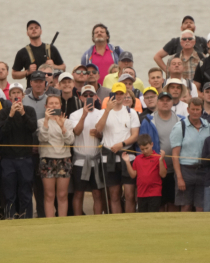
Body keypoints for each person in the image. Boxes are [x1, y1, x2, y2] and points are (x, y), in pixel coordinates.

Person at [96, 83, 140, 214]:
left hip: (127, 156)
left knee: (129, 195)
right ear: (112, 95)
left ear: (125, 95)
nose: (119, 96)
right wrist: (107, 110)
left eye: (121, 93)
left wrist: (122, 144)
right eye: (117, 93)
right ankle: (117, 223)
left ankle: (129, 223)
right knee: (114, 195)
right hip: (108, 157)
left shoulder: (131, 113)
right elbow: (98, 129)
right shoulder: (103, 112)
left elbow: (135, 135)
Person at [0, 83, 37, 219]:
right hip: (8, 160)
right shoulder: (3, 112)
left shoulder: (30, 110)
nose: (16, 95)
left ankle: (26, 219)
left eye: (18, 93)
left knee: (26, 192)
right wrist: (11, 114)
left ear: (23, 95)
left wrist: (23, 114)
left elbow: (33, 128)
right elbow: (3, 132)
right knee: (9, 193)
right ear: (9, 96)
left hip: (25, 159)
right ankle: (10, 219)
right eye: (13, 93)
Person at [170, 98, 210, 212]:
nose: (195, 112)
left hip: (203, 170)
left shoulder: (207, 126)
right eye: (192, 109)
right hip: (185, 170)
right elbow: (175, 155)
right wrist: (179, 178)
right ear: (188, 110)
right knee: (186, 206)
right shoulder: (180, 127)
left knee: (201, 206)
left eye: (197, 109)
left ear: (201, 110)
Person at [37, 95, 75, 217]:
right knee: (49, 194)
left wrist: (62, 126)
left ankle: (62, 221)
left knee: (63, 194)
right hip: (47, 159)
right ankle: (50, 221)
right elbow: (43, 138)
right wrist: (47, 121)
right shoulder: (41, 122)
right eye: (51, 104)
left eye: (56, 103)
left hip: (64, 159)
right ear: (46, 106)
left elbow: (70, 141)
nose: (53, 106)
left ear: (60, 106)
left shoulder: (67, 122)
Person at [70, 86, 104, 215]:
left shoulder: (101, 113)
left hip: (96, 159)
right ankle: (78, 219)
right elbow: (77, 132)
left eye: (91, 95)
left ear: (96, 97)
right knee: (79, 192)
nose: (88, 97)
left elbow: (104, 135)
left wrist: (99, 134)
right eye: (86, 95)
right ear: (81, 97)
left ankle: (98, 220)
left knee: (97, 193)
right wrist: (84, 115)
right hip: (80, 160)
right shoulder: (75, 114)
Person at [122, 134, 167, 213]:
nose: (145, 151)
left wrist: (161, 160)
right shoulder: (138, 159)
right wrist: (127, 162)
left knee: (152, 216)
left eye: (147, 148)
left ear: (152, 144)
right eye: (142, 149)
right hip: (141, 194)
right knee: (142, 217)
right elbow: (133, 175)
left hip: (155, 193)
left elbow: (163, 174)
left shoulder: (158, 157)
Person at [13, 20, 65, 86]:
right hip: (31, 91)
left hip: (51, 90)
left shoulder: (51, 48)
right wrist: (28, 72)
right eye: (31, 28)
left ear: (41, 31)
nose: (34, 29)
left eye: (36, 28)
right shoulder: (22, 52)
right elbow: (14, 75)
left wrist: (54, 66)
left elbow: (63, 67)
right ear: (27, 33)